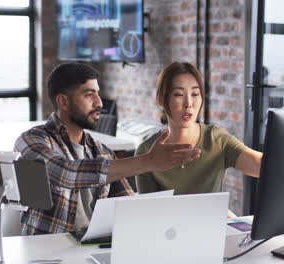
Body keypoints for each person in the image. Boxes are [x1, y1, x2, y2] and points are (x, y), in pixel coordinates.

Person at [14, 63, 201, 235]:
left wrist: (182, 219)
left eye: (98, 93)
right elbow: (66, 173)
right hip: (45, 252)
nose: (99, 103)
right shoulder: (31, 141)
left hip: (90, 250)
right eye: (89, 94)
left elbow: (128, 207)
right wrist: (148, 161)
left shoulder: (102, 151)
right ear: (63, 102)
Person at [135, 62, 262, 199]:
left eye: (195, 94)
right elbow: (150, 212)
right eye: (178, 94)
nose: (188, 103)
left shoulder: (217, 139)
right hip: (167, 221)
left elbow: (260, 166)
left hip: (212, 220)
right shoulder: (146, 151)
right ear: (161, 99)